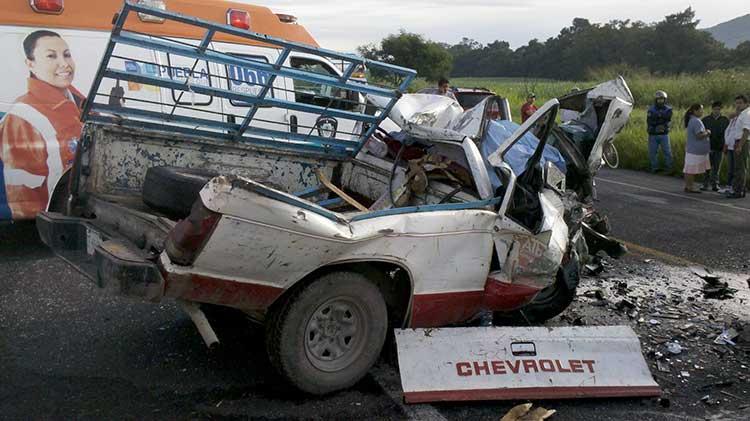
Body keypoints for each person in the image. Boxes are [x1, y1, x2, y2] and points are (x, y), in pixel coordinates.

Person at [0, 30, 85, 219]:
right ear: (30, 64)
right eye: (51, 56)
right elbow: (21, 193)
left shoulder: (80, 101)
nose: (64, 63)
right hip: (47, 224)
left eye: (67, 54)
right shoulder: (22, 116)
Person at [682, 104, 711, 193]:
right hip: (695, 150)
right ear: (695, 111)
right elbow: (699, 135)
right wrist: (708, 132)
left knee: (689, 169)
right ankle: (690, 187)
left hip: (692, 149)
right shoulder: (696, 121)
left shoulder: (692, 120)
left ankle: (688, 186)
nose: (702, 112)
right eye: (701, 110)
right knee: (691, 170)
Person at [701, 101, 729, 191]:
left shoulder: (725, 120)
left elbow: (728, 134)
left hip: (719, 147)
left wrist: (725, 145)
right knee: (706, 167)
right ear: (712, 109)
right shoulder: (705, 120)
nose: (716, 111)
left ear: (721, 110)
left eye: (718, 109)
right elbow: (701, 133)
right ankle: (705, 184)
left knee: (717, 168)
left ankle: (715, 185)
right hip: (708, 147)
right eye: (715, 109)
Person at [727, 94, 750, 199]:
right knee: (739, 167)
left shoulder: (747, 114)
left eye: (740, 103)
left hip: (743, 142)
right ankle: (740, 190)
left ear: (746, 103)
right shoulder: (741, 113)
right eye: (736, 103)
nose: (738, 105)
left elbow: (746, 131)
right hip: (739, 141)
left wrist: (740, 145)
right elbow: (730, 116)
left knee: (740, 168)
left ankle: (738, 191)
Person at [647, 90, 674, 173]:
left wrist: (658, 118)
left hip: (664, 134)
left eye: (662, 99)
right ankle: (654, 168)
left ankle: (669, 168)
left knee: (667, 152)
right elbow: (650, 121)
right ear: (656, 100)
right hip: (653, 134)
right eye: (658, 99)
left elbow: (667, 118)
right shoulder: (651, 109)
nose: (660, 101)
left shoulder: (668, 109)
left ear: (665, 100)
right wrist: (660, 119)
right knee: (652, 152)